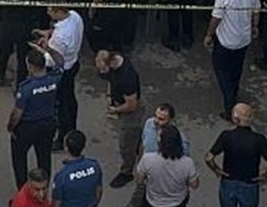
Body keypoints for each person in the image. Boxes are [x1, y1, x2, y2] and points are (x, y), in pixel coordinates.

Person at [205, 0, 261, 119]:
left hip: (225, 41)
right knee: (236, 69)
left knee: (221, 69)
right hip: (243, 39)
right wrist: (255, 26)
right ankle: (234, 92)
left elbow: (216, 17)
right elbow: (256, 10)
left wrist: (209, 35)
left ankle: (230, 105)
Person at [206, 103, 267, 207]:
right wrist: (265, 176)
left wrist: (217, 170)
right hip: (250, 183)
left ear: (235, 119)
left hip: (229, 180)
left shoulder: (226, 136)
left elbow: (209, 158)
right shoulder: (259, 140)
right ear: (251, 118)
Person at [8, 50, 61, 188]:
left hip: (27, 127)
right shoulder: (54, 79)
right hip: (48, 124)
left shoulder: (26, 88)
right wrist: (47, 49)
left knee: (19, 158)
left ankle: (23, 191)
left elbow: (17, 113)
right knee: (44, 157)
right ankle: (44, 188)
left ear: (30, 66)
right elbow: (60, 62)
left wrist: (11, 127)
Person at [37, 0, 84, 149]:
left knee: (62, 104)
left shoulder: (61, 37)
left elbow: (53, 61)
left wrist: (42, 50)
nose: (47, 12)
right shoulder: (75, 16)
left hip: (62, 71)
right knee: (70, 99)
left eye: (50, 10)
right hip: (74, 62)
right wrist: (49, 34)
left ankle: (63, 136)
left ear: (59, 12)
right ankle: (72, 127)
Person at [95, 50, 143, 189]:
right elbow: (110, 78)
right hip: (121, 102)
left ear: (111, 63)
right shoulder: (116, 61)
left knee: (126, 144)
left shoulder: (127, 78)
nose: (101, 73)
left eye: (103, 69)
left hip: (130, 111)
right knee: (134, 136)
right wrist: (110, 96)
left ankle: (126, 172)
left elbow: (131, 105)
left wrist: (115, 110)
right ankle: (138, 144)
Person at [0, 0, 48, 86]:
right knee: (22, 56)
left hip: (7, 24)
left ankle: (0, 76)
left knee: (3, 52)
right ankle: (20, 82)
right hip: (25, 26)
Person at [136, 125, 200, 207]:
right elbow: (194, 185)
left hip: (153, 202)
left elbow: (139, 180)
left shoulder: (147, 159)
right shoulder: (188, 163)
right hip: (178, 202)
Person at [52, 130, 103, 207]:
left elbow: (57, 203)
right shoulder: (94, 166)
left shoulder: (61, 177)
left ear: (66, 148)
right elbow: (98, 190)